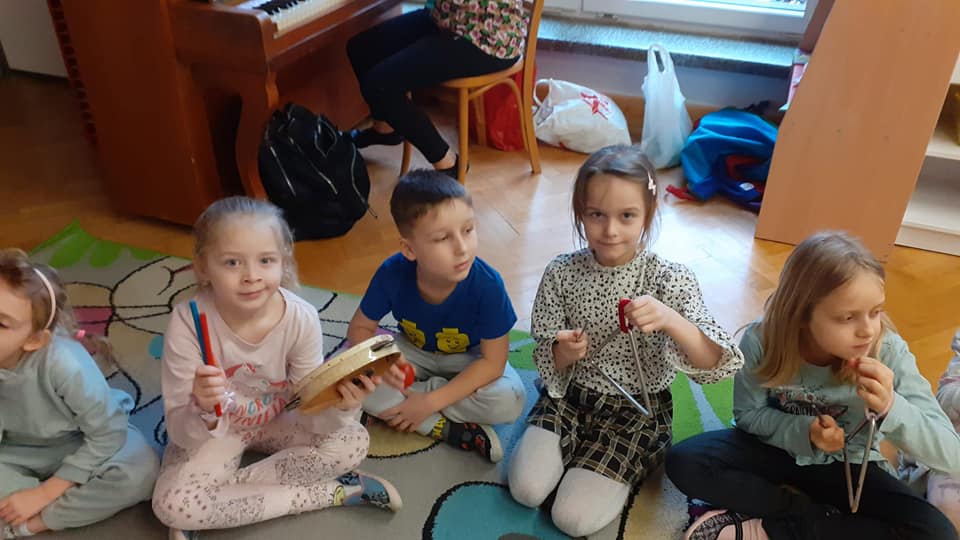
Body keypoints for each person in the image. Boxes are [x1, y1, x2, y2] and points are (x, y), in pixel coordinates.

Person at [507, 145, 744, 538]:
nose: (610, 230)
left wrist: (671, 320)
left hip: (634, 414)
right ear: (580, 212)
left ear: (648, 214)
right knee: (526, 489)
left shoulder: (668, 279)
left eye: (627, 215)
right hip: (570, 398)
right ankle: (580, 456)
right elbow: (547, 355)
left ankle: (638, 455)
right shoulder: (562, 273)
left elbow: (715, 361)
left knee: (571, 518)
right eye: (596, 214)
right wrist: (562, 352)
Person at [666, 231, 960, 540]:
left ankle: (774, 528)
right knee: (685, 461)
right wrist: (806, 432)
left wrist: (892, 408)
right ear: (802, 314)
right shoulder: (762, 340)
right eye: (847, 317)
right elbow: (748, 416)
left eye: (876, 312)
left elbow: (950, 455)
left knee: (938, 533)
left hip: (847, 466)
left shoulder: (888, 352)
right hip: (772, 449)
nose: (868, 331)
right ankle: (804, 514)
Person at [152, 197, 402, 540]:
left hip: (280, 417)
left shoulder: (301, 319)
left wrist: (341, 405)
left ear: (282, 262)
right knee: (171, 504)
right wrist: (203, 409)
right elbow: (181, 433)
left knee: (353, 441)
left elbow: (312, 414)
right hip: (218, 430)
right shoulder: (187, 323)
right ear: (203, 267)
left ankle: (213, 504)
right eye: (232, 262)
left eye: (265, 260)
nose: (251, 276)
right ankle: (330, 492)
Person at [348, 170, 525, 463]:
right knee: (348, 377)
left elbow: (493, 364)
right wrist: (381, 358)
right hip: (411, 352)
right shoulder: (392, 273)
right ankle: (444, 427)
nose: (462, 248)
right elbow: (360, 329)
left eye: (468, 230)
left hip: (470, 360)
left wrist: (429, 401)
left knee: (511, 399)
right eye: (443, 238)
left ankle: (413, 406)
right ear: (409, 249)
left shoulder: (488, 285)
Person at [0, 248, 158, 539]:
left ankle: (34, 523)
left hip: (83, 440)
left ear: (34, 340)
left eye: (1, 323)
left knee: (140, 470)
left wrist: (46, 493)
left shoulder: (64, 363)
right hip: (17, 450)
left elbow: (107, 432)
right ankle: (26, 506)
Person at [346, 0, 528, 177]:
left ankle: (447, 163)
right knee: (362, 49)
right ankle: (385, 130)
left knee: (378, 85)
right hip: (452, 18)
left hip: (488, 39)